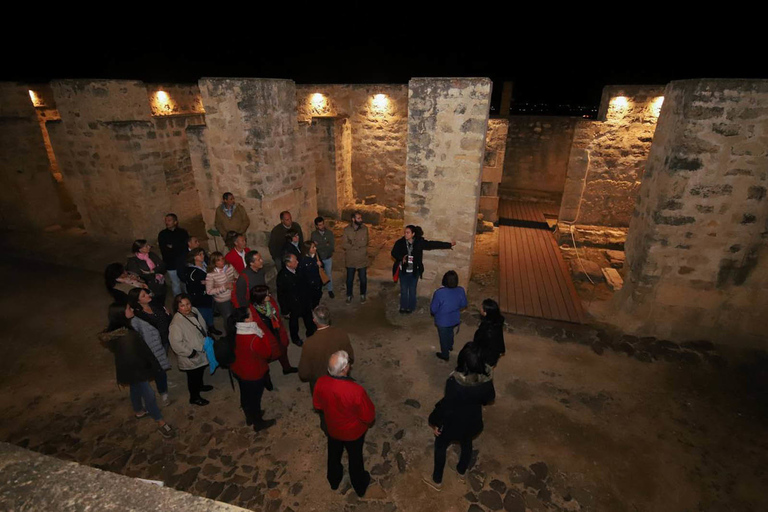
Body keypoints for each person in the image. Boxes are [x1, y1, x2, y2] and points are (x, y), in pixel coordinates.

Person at [423, 342, 495, 491]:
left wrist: (434, 421)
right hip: (472, 422)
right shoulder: (486, 380)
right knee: (467, 444)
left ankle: (437, 480)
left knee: (440, 446)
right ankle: (461, 471)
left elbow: (446, 406)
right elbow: (489, 398)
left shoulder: (454, 383)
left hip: (451, 424)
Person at [99, 304, 174, 438]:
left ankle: (138, 410)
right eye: (128, 309)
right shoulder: (128, 336)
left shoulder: (118, 333)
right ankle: (160, 422)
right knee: (149, 394)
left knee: (135, 387)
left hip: (128, 371)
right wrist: (151, 366)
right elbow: (138, 355)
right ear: (121, 315)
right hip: (137, 371)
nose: (132, 309)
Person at [313, 350, 375, 497]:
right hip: (353, 433)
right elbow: (369, 417)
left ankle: (334, 480)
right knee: (355, 458)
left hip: (333, 429)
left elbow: (318, 405)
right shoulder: (356, 390)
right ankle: (359, 485)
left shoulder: (321, 382)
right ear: (345, 368)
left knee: (334, 454)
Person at [229, 307, 279, 432]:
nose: (253, 316)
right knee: (255, 399)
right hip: (253, 373)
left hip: (239, 369)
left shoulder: (235, 330)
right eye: (251, 315)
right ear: (246, 320)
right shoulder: (254, 338)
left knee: (245, 395)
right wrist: (264, 335)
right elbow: (267, 353)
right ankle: (258, 422)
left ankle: (249, 416)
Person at [391, 225, 455, 314]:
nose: (405, 234)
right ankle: (403, 306)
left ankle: (411, 307)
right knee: (404, 290)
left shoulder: (419, 242)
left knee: (412, 290)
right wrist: (401, 257)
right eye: (405, 232)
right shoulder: (400, 242)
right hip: (404, 271)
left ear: (413, 234)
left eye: (408, 232)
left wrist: (448, 245)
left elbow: (432, 244)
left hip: (414, 271)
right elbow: (393, 252)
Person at [298, 305, 354, 395]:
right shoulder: (341, 334)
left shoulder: (309, 343)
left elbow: (303, 373)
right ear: (329, 318)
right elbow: (350, 357)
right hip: (341, 381)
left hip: (321, 385)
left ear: (314, 320)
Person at [169, 294, 212, 406]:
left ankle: (200, 386)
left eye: (188, 304)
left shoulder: (194, 310)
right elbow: (176, 343)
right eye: (182, 305)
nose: (187, 307)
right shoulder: (176, 323)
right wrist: (191, 353)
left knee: (200, 371)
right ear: (177, 308)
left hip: (201, 349)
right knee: (193, 377)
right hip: (191, 355)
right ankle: (194, 397)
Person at [126, 304, 171, 406]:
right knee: (148, 384)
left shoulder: (152, 308)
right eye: (128, 308)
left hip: (157, 347)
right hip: (147, 354)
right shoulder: (135, 321)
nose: (131, 309)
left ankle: (163, 392)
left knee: (160, 371)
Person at [249, 285, 298, 375]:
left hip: (277, 332)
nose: (270, 295)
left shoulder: (270, 302)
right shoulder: (251, 312)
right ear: (260, 298)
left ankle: (286, 368)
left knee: (282, 351)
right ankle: (266, 377)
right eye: (267, 295)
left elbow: (277, 316)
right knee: (265, 358)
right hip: (265, 338)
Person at [276, 253, 316, 346]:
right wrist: (285, 310)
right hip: (293, 304)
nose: (298, 262)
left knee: (308, 317)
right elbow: (281, 294)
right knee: (294, 322)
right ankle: (295, 338)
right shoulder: (282, 276)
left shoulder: (299, 270)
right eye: (295, 261)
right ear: (288, 264)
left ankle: (310, 332)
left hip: (304, 300)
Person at [181, 248, 220, 336]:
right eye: (200, 254)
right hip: (199, 297)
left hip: (208, 293)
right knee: (202, 314)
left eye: (203, 254)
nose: (203, 256)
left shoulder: (205, 265)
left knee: (210, 311)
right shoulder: (192, 271)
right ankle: (205, 332)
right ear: (194, 257)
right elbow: (193, 285)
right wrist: (204, 283)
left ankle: (211, 326)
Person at [430, 271, 468, 361]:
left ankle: (445, 354)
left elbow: (433, 309)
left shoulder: (439, 293)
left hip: (442, 321)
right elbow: (464, 304)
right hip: (454, 318)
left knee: (443, 337)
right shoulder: (461, 290)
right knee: (450, 332)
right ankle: (450, 346)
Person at [157, 213, 189, 297]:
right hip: (170, 263)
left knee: (186, 282)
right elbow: (164, 249)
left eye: (169, 220)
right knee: (175, 283)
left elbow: (185, 247)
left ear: (175, 222)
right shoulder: (162, 234)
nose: (167, 222)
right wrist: (175, 247)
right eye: (166, 221)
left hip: (182, 261)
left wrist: (173, 246)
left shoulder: (182, 232)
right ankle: (178, 302)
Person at [126, 240, 167, 304]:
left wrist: (152, 271)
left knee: (161, 301)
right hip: (148, 287)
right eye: (146, 246)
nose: (149, 247)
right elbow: (137, 275)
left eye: (148, 245)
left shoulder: (152, 255)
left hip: (160, 284)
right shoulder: (134, 261)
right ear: (140, 250)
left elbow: (162, 266)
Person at [206, 251, 237, 334]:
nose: (222, 261)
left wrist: (235, 281)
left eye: (222, 259)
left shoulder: (229, 267)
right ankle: (231, 336)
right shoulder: (211, 274)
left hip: (234, 296)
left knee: (236, 316)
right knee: (228, 319)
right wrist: (224, 287)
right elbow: (209, 291)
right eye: (218, 260)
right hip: (223, 300)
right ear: (214, 263)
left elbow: (236, 276)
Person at [342, 211, 369, 304]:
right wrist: (357, 244)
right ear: (353, 219)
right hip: (351, 259)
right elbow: (344, 244)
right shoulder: (346, 230)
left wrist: (352, 243)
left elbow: (364, 242)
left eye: (360, 218)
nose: (360, 220)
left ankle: (363, 294)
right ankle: (349, 295)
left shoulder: (365, 229)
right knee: (349, 279)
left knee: (363, 279)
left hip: (361, 258)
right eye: (358, 218)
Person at [473, 299, 506, 367]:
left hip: (487, 357)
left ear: (485, 313)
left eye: (482, 308)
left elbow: (479, 340)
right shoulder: (497, 322)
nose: (480, 308)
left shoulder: (487, 330)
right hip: (493, 353)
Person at [311, 216, 335, 299]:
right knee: (319, 274)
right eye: (320, 225)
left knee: (328, 274)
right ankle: (319, 290)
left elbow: (331, 246)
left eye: (322, 224)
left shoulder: (329, 233)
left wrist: (319, 245)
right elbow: (314, 247)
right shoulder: (314, 234)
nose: (322, 226)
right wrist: (325, 244)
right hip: (319, 258)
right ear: (316, 226)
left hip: (328, 257)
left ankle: (330, 290)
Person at [298, 241, 324, 309]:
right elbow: (302, 273)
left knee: (317, 297)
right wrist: (315, 264)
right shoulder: (302, 259)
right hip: (309, 285)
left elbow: (322, 265)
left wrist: (321, 264)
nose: (315, 248)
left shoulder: (316, 255)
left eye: (315, 246)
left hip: (317, 282)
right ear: (308, 249)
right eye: (313, 247)